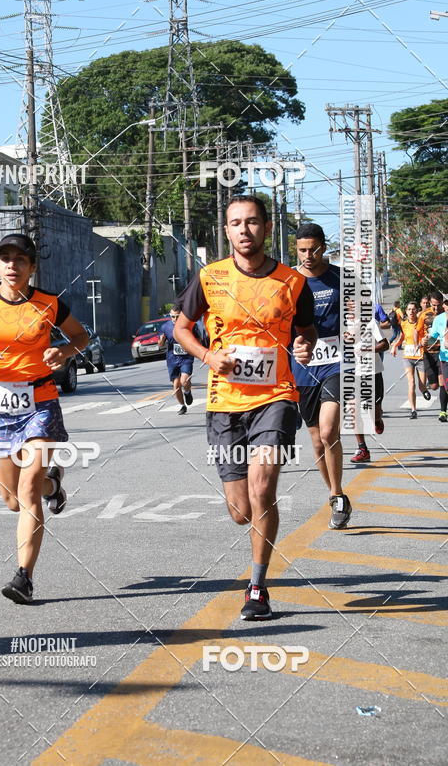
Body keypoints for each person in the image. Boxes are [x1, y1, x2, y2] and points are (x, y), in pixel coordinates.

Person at [173, 196, 316, 621]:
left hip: (276, 396)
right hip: (224, 401)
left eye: (252, 222)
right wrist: (206, 355)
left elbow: (304, 332)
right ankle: (255, 546)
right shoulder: (210, 277)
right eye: (235, 223)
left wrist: (304, 346)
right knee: (240, 510)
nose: (243, 230)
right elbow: (180, 328)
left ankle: (258, 586)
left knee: (262, 488)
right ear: (227, 230)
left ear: (267, 228)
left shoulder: (292, 282)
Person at [0, 233, 88, 604]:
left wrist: (65, 351)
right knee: (13, 500)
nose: (12, 265)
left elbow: (80, 335)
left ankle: (23, 577)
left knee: (27, 489)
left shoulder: (49, 304)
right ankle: (54, 486)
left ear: (31, 267)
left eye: (20, 259)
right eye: (5, 259)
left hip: (40, 401)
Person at [292, 223, 352, 530]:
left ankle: (338, 495)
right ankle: (334, 494)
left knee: (329, 432)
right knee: (316, 442)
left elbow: (361, 317)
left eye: (313, 249)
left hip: (336, 363)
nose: (307, 255)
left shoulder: (342, 278)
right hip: (303, 366)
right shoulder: (288, 281)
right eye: (301, 250)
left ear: (324, 247)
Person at [350, 318, 389, 463]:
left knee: (374, 413)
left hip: (372, 372)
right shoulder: (341, 323)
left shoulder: (371, 322)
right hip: (352, 373)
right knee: (353, 408)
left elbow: (385, 344)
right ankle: (363, 449)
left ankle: (377, 420)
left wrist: (367, 350)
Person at [390, 301, 427, 419]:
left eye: (413, 309)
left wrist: (423, 342)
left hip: (420, 357)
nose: (411, 311)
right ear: (406, 311)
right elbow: (402, 337)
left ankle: (425, 390)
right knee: (411, 383)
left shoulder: (421, 323)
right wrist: (395, 346)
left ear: (417, 311)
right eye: (409, 309)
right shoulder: (404, 324)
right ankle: (413, 410)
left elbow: (426, 337)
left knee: (422, 385)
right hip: (408, 357)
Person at [158, 305, 195, 415]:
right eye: (172, 317)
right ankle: (182, 406)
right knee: (176, 385)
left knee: (184, 381)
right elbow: (160, 344)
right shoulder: (165, 327)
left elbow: (197, 339)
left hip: (186, 357)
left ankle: (187, 392)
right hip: (172, 359)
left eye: (177, 317)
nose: (174, 319)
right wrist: (161, 340)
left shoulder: (189, 325)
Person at [420, 294, 448, 422]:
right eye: (433, 305)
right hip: (441, 356)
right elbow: (431, 336)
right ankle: (443, 411)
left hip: (441, 354)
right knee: (441, 384)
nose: (436, 308)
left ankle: (443, 411)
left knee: (443, 383)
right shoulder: (434, 318)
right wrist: (424, 341)